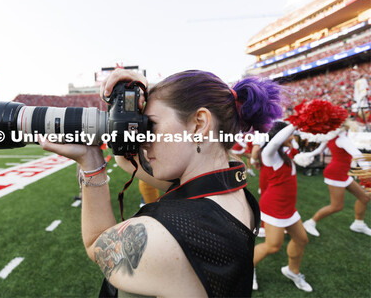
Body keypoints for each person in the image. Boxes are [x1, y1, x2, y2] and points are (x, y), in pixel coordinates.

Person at [40, 69, 282, 297]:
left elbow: (96, 244)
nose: (143, 141)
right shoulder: (227, 187)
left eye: (151, 126)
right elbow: (127, 160)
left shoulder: (165, 238)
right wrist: (130, 105)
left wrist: (91, 164)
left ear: (199, 124)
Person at [253, 121, 312, 292]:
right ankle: (248, 269)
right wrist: (297, 121)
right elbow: (276, 141)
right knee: (273, 246)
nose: (293, 138)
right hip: (273, 207)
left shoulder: (284, 153)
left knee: (302, 239)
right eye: (290, 135)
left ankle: (292, 271)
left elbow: (285, 142)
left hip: (288, 207)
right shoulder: (269, 154)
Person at [303, 120, 371, 237]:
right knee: (336, 206)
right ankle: (310, 222)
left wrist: (305, 156)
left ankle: (358, 223)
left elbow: (318, 151)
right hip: (336, 174)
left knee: (364, 197)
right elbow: (357, 155)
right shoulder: (341, 139)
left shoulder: (333, 137)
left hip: (342, 173)